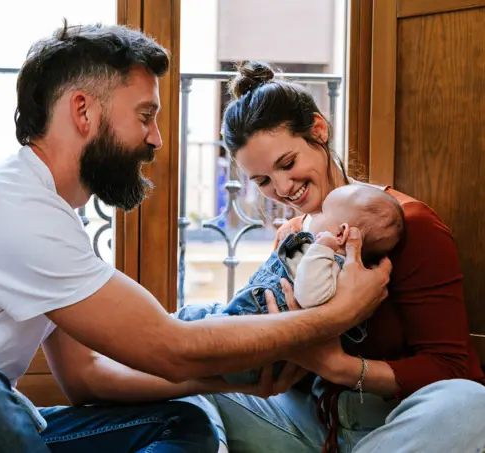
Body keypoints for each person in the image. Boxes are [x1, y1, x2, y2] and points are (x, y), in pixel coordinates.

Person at [0, 25, 392, 452]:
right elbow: (165, 346)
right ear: (83, 111)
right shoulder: (7, 203)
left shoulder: (53, 218)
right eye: (145, 115)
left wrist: (222, 384)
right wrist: (336, 314)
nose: (158, 139)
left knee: (183, 421)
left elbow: (85, 378)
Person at [180, 61, 485, 453]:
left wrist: (334, 365)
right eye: (263, 181)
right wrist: (273, 345)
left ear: (319, 131)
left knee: (470, 405)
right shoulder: (292, 238)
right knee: (180, 370)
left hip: (392, 428)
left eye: (287, 164)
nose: (283, 188)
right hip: (306, 423)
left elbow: (452, 368)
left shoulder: (410, 225)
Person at [174, 184, 405, 385]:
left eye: (322, 213)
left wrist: (322, 247)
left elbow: (309, 296)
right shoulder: (318, 252)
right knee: (189, 316)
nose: (312, 216)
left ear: (341, 233)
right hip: (243, 319)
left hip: (252, 351)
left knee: (189, 343)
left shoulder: (331, 263)